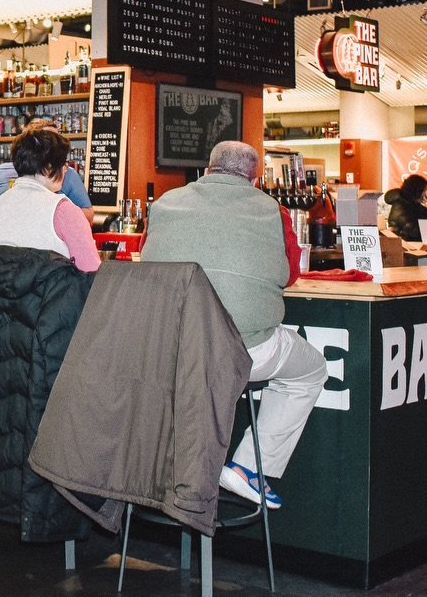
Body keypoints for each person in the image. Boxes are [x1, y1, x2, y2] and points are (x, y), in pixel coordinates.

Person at [140, 140, 327, 509]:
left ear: (207, 171)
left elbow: (146, 261)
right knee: (311, 372)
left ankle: (158, 474)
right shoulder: (272, 211)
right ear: (254, 180)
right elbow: (289, 274)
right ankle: (247, 468)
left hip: (170, 351)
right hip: (244, 350)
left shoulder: (164, 204)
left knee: (191, 376)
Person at [0, 125, 99, 271]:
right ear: (48, 167)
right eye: (63, 163)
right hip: (51, 294)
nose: (65, 169)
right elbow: (91, 272)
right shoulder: (63, 210)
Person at [0, 118, 94, 223]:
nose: (56, 146)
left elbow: (88, 215)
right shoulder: (1, 171)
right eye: (49, 140)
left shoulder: (68, 176)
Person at [384, 174, 427, 242]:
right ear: (417, 191)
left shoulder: (412, 204)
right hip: (405, 248)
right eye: (424, 191)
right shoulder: (400, 208)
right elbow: (414, 231)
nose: (425, 195)